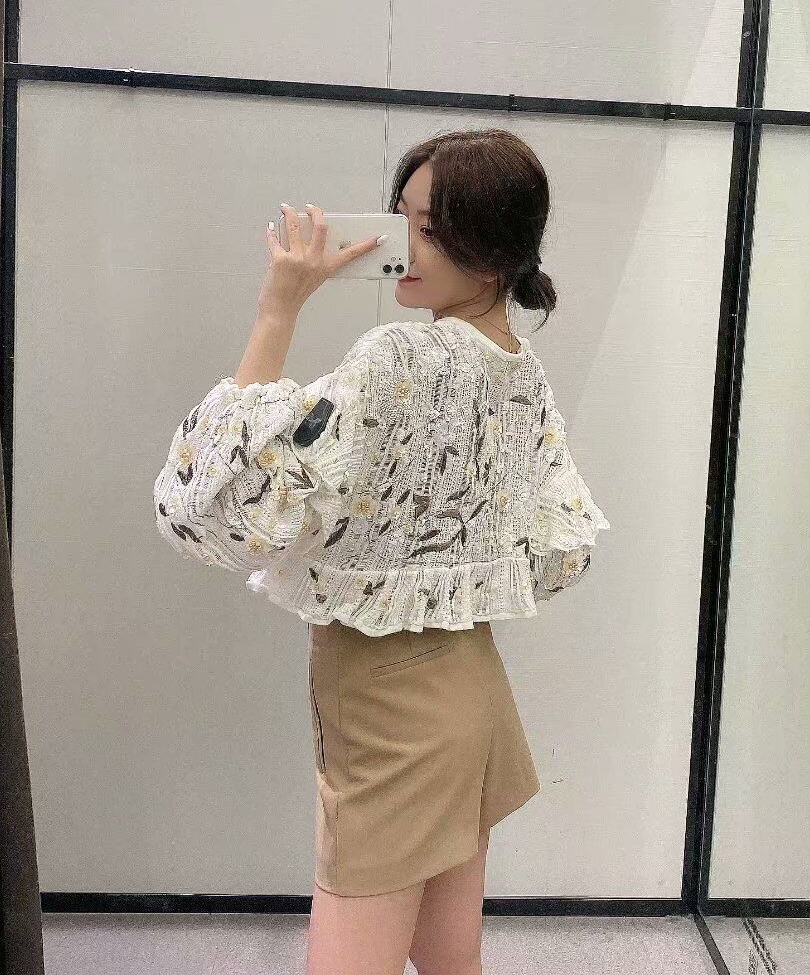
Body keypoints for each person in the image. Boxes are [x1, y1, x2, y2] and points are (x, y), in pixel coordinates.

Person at [153, 128, 609, 975]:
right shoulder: (518, 366)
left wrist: (278, 308)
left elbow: (221, 501)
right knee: (448, 959)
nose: (405, 245)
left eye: (431, 228)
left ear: (494, 248)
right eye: (402, 219)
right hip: (470, 688)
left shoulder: (401, 355)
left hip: (390, 713)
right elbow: (562, 544)